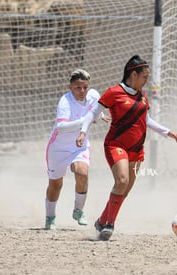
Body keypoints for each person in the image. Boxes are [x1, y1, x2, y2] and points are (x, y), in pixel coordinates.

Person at [76, 55, 177, 240]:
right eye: (145, 76)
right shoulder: (113, 92)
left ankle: (102, 221)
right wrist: (82, 132)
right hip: (116, 145)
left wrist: (167, 132)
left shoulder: (142, 96)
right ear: (133, 74)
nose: (147, 80)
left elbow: (146, 120)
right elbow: (92, 113)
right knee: (122, 180)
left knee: (124, 189)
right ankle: (109, 224)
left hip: (137, 149)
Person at [44, 69, 110, 230]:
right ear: (70, 87)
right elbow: (61, 127)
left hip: (79, 146)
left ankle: (78, 210)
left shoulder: (94, 95)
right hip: (58, 148)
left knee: (82, 173)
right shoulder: (65, 102)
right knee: (56, 184)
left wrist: (100, 116)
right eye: (77, 88)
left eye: (85, 87)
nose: (82, 91)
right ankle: (50, 218)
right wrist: (85, 120)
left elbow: (95, 109)